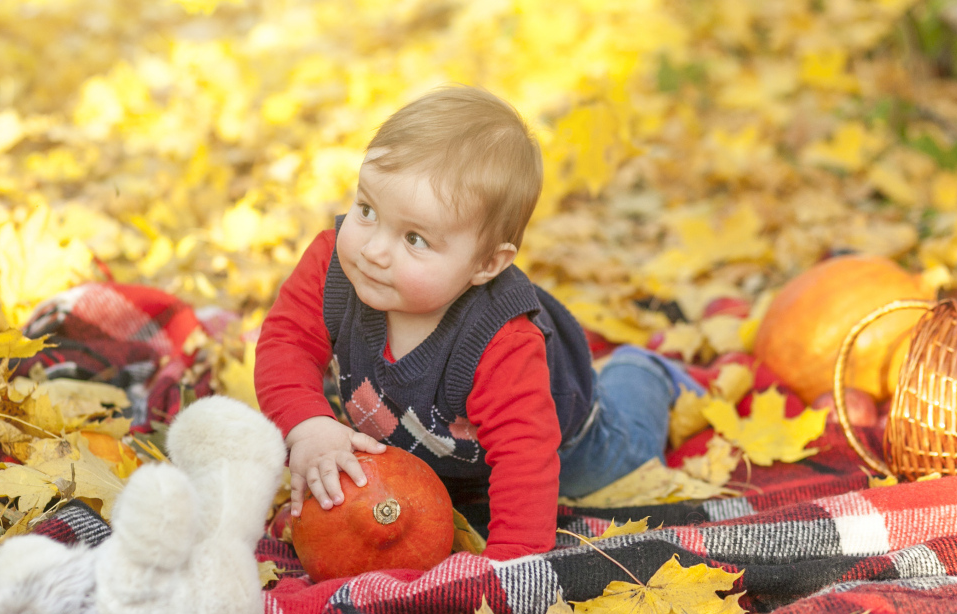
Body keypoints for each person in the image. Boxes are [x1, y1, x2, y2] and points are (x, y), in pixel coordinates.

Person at [254, 86, 702, 561]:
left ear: (487, 264)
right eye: (367, 210)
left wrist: (509, 567)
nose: (373, 249)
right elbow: (286, 342)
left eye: (414, 239)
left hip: (567, 446)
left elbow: (525, 456)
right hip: (434, 449)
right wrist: (309, 424)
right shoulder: (333, 267)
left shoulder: (500, 340)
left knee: (619, 461)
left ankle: (644, 372)